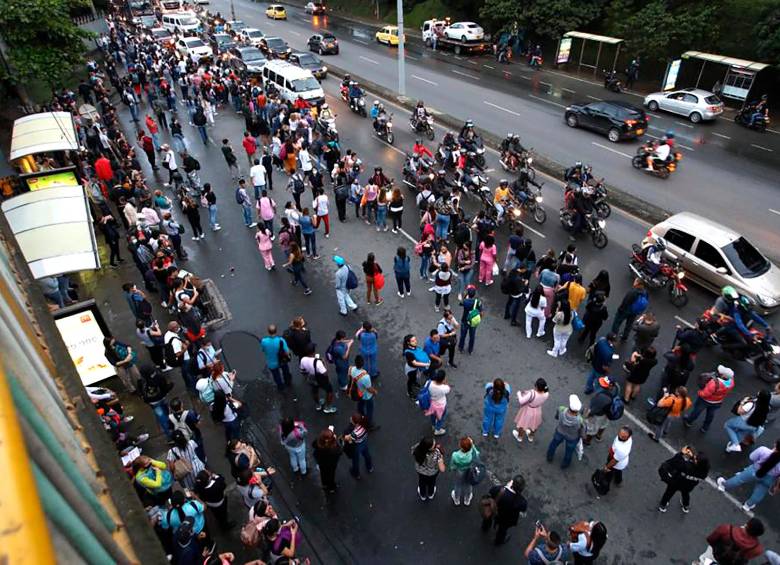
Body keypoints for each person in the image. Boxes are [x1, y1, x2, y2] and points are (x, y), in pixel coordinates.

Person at [717, 440, 780, 511]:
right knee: (760, 492)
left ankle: (723, 485)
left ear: (775, 444)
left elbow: (752, 457)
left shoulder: (763, 450)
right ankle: (748, 505)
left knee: (739, 479)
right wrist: (777, 487)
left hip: (754, 471)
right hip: (769, 478)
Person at [684, 365, 735, 433]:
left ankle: (689, 421)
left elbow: (705, 394)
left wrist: (699, 392)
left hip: (705, 400)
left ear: (723, 376)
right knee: (710, 414)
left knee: (697, 411)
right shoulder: (731, 383)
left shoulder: (714, 383)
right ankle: (705, 427)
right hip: (717, 401)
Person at [658, 446, 709, 513]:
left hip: (676, 482)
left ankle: (663, 506)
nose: (694, 457)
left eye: (696, 458)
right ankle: (685, 506)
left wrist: (681, 453)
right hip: (689, 486)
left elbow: (674, 462)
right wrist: (691, 457)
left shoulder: (686, 466)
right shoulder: (704, 471)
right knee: (685, 494)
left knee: (668, 493)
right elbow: (695, 466)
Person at [695, 519, 765, 565]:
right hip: (730, 563)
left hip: (714, 554)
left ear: (746, 525)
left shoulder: (726, 529)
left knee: (704, 561)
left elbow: (710, 539)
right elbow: (746, 557)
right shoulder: (757, 549)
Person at [484, 475, 528, 546]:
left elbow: (491, 491)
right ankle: (498, 541)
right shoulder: (521, 501)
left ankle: (485, 527)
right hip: (507, 519)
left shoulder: (499, 490)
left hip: (495, 511)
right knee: (502, 530)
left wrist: (506, 487)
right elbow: (523, 508)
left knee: (488, 518)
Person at [300, 343, 337, 414]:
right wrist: (324, 362)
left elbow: (302, 371)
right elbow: (325, 373)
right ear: (313, 352)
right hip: (321, 379)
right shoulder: (318, 362)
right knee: (329, 391)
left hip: (311, 378)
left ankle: (318, 405)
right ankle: (328, 407)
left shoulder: (303, 359)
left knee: (314, 391)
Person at [513, 378, 550, 443]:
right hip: (537, 410)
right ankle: (531, 436)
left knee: (523, 424)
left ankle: (520, 437)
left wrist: (519, 394)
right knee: (535, 424)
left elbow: (521, 401)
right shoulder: (546, 394)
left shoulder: (532, 393)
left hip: (528, 410)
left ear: (536, 386)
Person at [412, 436, 447, 501]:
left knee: (422, 482)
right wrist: (441, 458)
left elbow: (413, 451)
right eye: (434, 445)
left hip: (420, 471)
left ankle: (423, 495)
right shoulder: (437, 453)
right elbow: (442, 469)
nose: (436, 445)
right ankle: (431, 494)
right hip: (432, 472)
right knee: (432, 483)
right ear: (430, 449)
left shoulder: (417, 448)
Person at [584, 377, 617, 445]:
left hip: (598, 416)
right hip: (607, 413)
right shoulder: (612, 392)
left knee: (592, 429)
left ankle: (587, 441)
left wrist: (588, 414)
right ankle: (598, 436)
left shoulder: (601, 396)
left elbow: (594, 409)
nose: (601, 384)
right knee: (603, 425)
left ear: (610, 386)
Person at [449, 436, 479, 506]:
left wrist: (452, 468)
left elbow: (452, 465)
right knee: (468, 485)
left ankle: (456, 499)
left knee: (458, 485)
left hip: (460, 472)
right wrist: (472, 445)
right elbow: (477, 455)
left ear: (461, 446)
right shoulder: (473, 454)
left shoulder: (455, 455)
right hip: (470, 471)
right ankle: (467, 499)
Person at [312, 427, 343, 493]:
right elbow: (340, 452)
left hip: (321, 462)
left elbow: (313, 445)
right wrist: (335, 439)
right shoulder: (334, 448)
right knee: (331, 475)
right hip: (331, 464)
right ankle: (331, 487)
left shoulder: (318, 442)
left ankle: (324, 484)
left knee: (323, 473)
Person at [344, 413, 373, 479]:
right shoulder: (365, 424)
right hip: (364, 442)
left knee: (355, 460)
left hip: (357, 446)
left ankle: (356, 474)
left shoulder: (355, 433)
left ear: (356, 424)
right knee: (366, 455)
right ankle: (369, 467)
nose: (350, 419)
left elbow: (346, 438)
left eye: (352, 419)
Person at [403, 334, 431, 399]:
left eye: (415, 339)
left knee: (415, 377)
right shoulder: (408, 353)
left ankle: (414, 382)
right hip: (411, 369)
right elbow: (415, 363)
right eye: (413, 341)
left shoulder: (414, 347)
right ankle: (409, 392)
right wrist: (426, 364)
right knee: (410, 379)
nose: (415, 341)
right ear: (408, 343)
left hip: (416, 368)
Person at [426, 369, 451, 436]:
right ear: (443, 379)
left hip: (431, 403)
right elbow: (448, 389)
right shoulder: (444, 388)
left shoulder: (428, 383)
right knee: (441, 417)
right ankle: (438, 429)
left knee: (432, 415)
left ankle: (433, 425)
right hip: (441, 405)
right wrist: (445, 382)